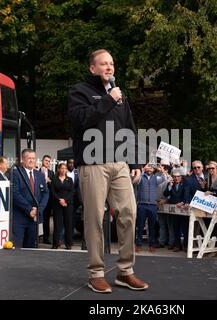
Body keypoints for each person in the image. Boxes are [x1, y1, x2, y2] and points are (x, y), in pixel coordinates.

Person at [67, 49, 148, 293]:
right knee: (94, 218)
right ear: (93, 68)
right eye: (104, 64)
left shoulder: (119, 94)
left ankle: (125, 271)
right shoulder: (79, 92)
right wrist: (108, 100)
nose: (109, 68)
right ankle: (96, 273)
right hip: (93, 164)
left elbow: (129, 129)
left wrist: (135, 162)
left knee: (129, 213)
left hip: (120, 163)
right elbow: (81, 121)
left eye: (111, 63)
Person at [12, 149, 49, 248]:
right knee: (17, 249)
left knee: (32, 250)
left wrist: (38, 209)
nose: (32, 161)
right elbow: (15, 194)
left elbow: (46, 193)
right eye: (29, 158)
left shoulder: (39, 175)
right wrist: (29, 209)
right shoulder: (16, 174)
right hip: (20, 219)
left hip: (34, 219)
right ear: (22, 159)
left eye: (33, 158)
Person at [51, 163, 74, 250]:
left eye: (65, 168)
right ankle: (55, 244)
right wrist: (59, 200)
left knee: (68, 224)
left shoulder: (70, 179)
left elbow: (72, 192)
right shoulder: (54, 179)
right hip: (57, 204)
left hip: (68, 204)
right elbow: (52, 192)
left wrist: (65, 200)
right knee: (57, 224)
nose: (63, 170)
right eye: (62, 168)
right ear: (59, 169)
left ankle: (68, 244)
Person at [40, 155, 55, 245]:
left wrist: (50, 181)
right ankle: (36, 237)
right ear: (42, 161)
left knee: (46, 219)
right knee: (37, 218)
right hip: (38, 198)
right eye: (46, 160)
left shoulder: (52, 173)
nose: (47, 162)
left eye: (49, 161)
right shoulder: (37, 171)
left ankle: (46, 238)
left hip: (48, 200)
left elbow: (54, 186)